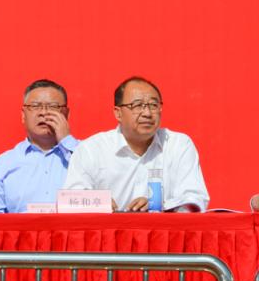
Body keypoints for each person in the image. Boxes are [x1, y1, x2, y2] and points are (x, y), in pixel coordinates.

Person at [63, 77, 209, 212]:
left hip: (162, 230)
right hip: (109, 230)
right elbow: (70, 201)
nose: (147, 113)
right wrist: (97, 204)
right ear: (118, 113)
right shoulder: (91, 149)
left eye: (153, 105)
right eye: (137, 105)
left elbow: (195, 200)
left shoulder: (178, 145)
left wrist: (159, 206)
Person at [0, 79, 78, 213]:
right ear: (23, 115)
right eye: (35, 106)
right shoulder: (5, 163)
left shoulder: (87, 154)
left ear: (66, 114)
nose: (43, 113)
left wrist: (67, 142)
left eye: (53, 106)